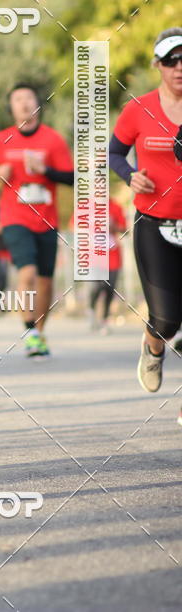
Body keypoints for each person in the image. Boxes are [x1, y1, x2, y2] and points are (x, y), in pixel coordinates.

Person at [109, 27, 182, 423]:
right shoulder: (138, 109)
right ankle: (154, 346)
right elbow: (115, 152)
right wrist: (129, 175)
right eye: (172, 59)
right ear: (158, 65)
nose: (180, 67)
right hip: (155, 221)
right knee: (168, 319)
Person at [0, 84, 74, 356]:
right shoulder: (0, 139)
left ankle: (39, 334)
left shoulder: (53, 140)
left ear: (38, 104)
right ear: (11, 107)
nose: (24, 103)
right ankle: (29, 328)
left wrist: (47, 171)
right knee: (26, 272)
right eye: (17, 99)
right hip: (14, 218)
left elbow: (72, 178)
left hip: (47, 219)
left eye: (29, 98)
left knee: (45, 281)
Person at [88, 196, 126, 334]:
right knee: (97, 286)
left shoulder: (115, 206)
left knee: (110, 288)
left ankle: (104, 320)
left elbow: (124, 229)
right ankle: (92, 312)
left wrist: (112, 226)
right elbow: (74, 226)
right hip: (94, 254)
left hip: (112, 254)